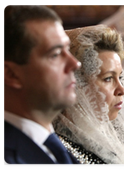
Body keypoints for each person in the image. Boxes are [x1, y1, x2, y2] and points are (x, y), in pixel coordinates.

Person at [53, 25, 124, 165]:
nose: (122, 90)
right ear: (77, 85)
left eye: (120, 77)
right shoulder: (58, 155)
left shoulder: (116, 143)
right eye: (108, 78)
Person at [2, 4, 81, 164]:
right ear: (11, 74)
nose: (75, 63)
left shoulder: (53, 145)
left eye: (68, 50)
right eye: (56, 54)